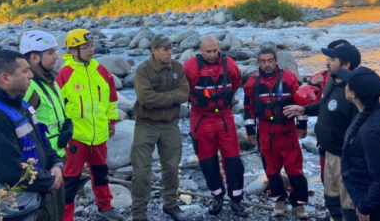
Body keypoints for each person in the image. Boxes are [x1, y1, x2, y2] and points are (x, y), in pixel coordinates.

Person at [0, 50, 64, 221]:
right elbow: (9, 170)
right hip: (5, 211)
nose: (31, 75)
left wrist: (56, 163)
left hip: (27, 202)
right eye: (25, 71)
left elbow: (41, 138)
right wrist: (50, 180)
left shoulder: (19, 103)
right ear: (5, 78)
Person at [283, 41, 361, 221]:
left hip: (345, 156)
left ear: (346, 65)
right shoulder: (332, 81)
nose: (327, 63)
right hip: (327, 150)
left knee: (348, 202)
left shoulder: (356, 89)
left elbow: (364, 125)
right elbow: (323, 106)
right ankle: (334, 217)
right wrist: (303, 110)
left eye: (331, 59)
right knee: (331, 195)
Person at [57, 29, 123, 221]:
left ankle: (105, 207)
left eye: (92, 46)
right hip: (76, 136)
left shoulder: (101, 71)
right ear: (73, 51)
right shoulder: (65, 74)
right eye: (85, 47)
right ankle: (65, 216)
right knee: (70, 179)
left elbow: (111, 99)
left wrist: (111, 121)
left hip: (100, 134)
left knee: (101, 173)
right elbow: (57, 106)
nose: (91, 50)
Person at [183, 36, 247, 218]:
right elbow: (183, 89)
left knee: (234, 161)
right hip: (201, 118)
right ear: (200, 51)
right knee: (207, 162)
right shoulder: (189, 67)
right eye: (208, 51)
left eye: (214, 51)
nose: (212, 55)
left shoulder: (230, 65)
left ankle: (236, 200)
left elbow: (235, 83)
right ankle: (217, 196)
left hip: (224, 117)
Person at [243, 46, 309, 219]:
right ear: (258, 63)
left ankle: (299, 204)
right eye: (263, 61)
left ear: (276, 61)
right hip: (266, 133)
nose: (267, 65)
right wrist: (250, 130)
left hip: (287, 132)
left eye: (270, 61)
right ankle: (279, 200)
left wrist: (302, 125)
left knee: (295, 170)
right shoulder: (252, 82)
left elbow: (302, 103)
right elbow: (248, 109)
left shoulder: (289, 78)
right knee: (271, 171)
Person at [131, 34, 190, 221]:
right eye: (165, 49)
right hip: (146, 125)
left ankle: (170, 204)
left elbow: (185, 93)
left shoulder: (177, 68)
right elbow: (145, 98)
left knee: (172, 167)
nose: (169, 52)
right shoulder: (143, 70)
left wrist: (163, 99)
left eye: (170, 48)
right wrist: (172, 98)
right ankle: (139, 213)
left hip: (170, 125)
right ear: (154, 51)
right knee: (141, 170)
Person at [339, 67, 380, 221]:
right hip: (369, 198)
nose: (344, 86)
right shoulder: (370, 112)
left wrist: (364, 208)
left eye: (347, 83)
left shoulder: (371, 131)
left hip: (378, 207)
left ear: (354, 94)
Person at [20, 30, 70, 221]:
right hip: (41, 162)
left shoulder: (49, 80)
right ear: (34, 57)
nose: (56, 56)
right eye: (50, 52)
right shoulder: (30, 86)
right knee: (46, 211)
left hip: (55, 155)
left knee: (58, 209)